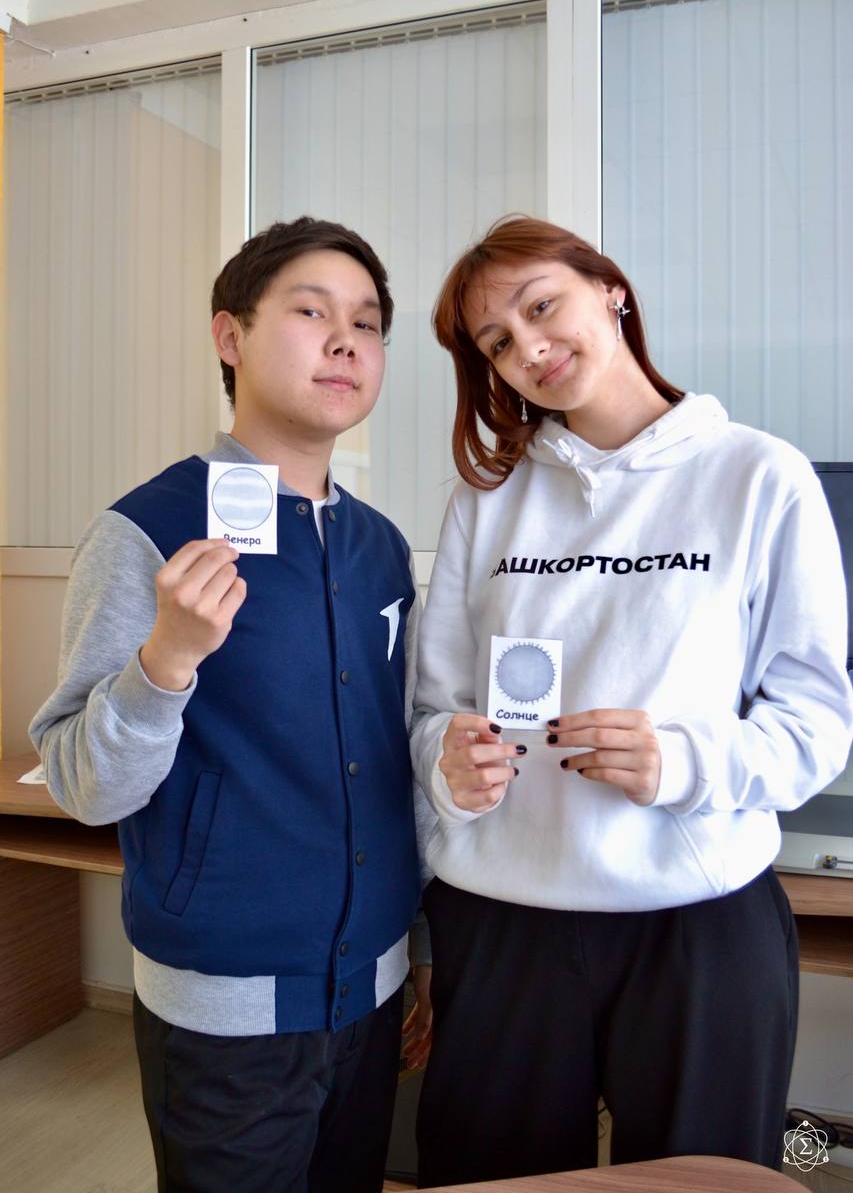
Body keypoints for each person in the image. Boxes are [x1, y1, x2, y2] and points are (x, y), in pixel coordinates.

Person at [409, 215, 853, 1186]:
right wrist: (447, 759)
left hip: (696, 921)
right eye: (497, 341)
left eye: (542, 306)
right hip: (505, 916)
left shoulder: (758, 475)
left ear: (609, 290)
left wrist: (682, 760)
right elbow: (433, 707)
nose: (529, 347)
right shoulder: (486, 498)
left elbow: (815, 725)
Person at [31, 217, 433, 1193]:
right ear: (230, 335)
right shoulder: (146, 531)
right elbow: (83, 784)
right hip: (224, 1014)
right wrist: (165, 660)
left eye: (367, 323)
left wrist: (419, 947)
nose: (346, 342)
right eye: (311, 312)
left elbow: (392, 763)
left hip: (375, 989)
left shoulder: (381, 546)